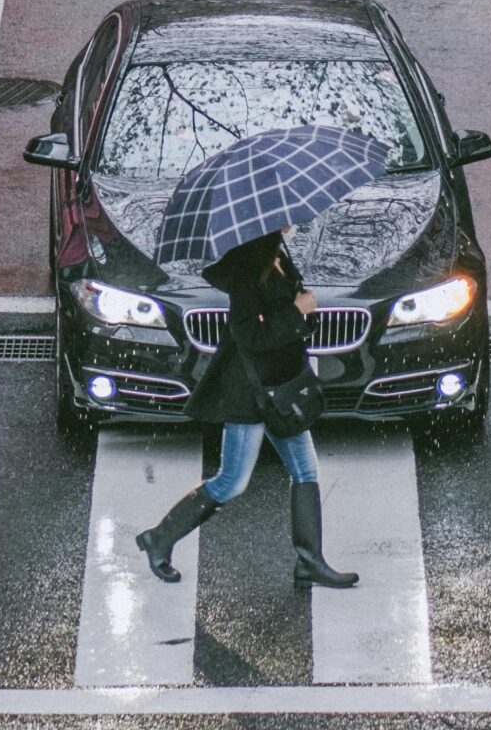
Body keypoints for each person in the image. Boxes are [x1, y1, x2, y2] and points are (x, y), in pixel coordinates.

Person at [136, 229, 357, 591]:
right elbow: (249, 337)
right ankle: (159, 538)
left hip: (281, 387)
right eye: (284, 219)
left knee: (305, 470)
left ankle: (310, 562)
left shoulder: (278, 258)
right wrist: (295, 311)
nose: (291, 223)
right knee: (232, 481)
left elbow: (290, 321)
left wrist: (304, 309)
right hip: (251, 393)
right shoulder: (246, 272)